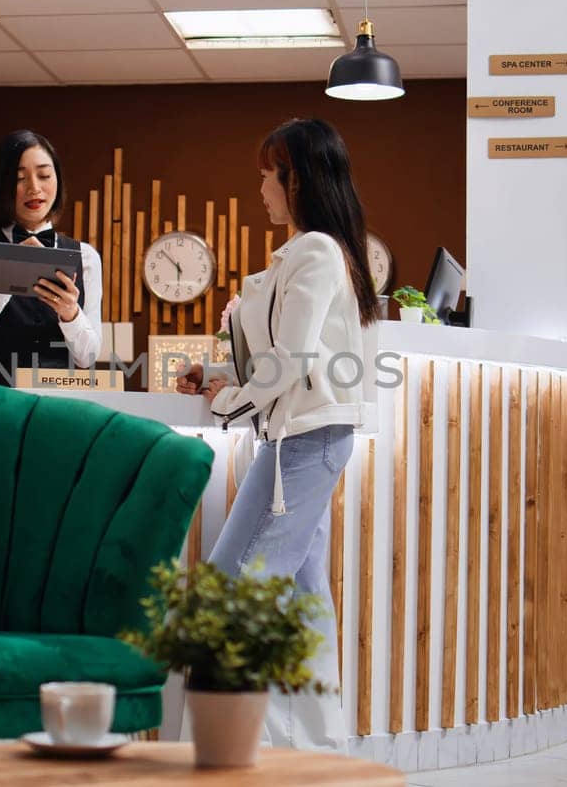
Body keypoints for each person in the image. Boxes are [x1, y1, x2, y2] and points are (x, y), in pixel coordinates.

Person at [176, 118, 379, 752]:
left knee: (232, 597)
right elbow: (294, 358)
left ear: (299, 180)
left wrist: (229, 401)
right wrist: (216, 375)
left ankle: (223, 755)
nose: (261, 185)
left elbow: (288, 363)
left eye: (270, 173)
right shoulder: (312, 252)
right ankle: (317, 753)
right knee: (301, 601)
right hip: (305, 440)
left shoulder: (315, 251)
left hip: (304, 444)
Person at [0, 129, 101, 385]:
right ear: (0, 185)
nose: (34, 188)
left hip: (55, 404)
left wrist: (70, 312)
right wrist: (6, 278)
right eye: (19, 178)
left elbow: (89, 356)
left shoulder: (86, 257)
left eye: (44, 175)